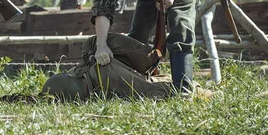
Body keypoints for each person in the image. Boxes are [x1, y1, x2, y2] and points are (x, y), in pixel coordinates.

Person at [42, 33, 171, 100]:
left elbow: (151, 90)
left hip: (101, 69)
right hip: (98, 70)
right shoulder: (94, 69)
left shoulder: (102, 70)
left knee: (150, 88)